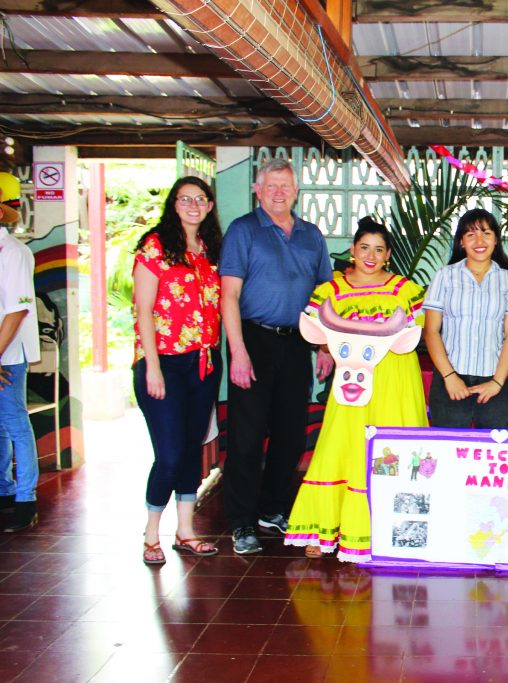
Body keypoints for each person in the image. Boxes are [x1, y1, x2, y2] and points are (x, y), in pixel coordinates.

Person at [284, 217, 427, 561]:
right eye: (364, 247)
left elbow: (418, 329)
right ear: (352, 250)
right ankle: (323, 528)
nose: (370, 255)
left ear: (388, 255)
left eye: (379, 249)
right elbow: (313, 328)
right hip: (351, 385)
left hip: (394, 380)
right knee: (339, 445)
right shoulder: (331, 291)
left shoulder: (404, 289)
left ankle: (398, 530)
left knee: (394, 448)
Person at [219, 159, 334, 555]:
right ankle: (241, 521)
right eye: (271, 185)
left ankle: (273, 510)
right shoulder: (243, 230)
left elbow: (324, 297)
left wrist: (323, 346)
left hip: (298, 342)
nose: (279, 192)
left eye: (286, 185)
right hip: (253, 339)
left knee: (289, 433)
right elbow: (229, 295)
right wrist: (238, 352)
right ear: (257, 190)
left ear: (296, 190)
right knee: (248, 438)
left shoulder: (311, 235)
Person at [133, 176, 223, 563]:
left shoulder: (210, 250)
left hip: (203, 363)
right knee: (169, 454)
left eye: (200, 199)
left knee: (190, 449)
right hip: (163, 363)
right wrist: (152, 366)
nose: (193, 205)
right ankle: (151, 533)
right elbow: (142, 310)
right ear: (174, 204)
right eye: (185, 199)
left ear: (208, 206)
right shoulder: (155, 246)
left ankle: (185, 531)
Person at [424, 208, 508, 429]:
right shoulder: (445, 276)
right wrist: (450, 377)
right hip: (450, 380)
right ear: (461, 242)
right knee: (448, 452)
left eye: (486, 233)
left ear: (496, 239)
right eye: (471, 234)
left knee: (495, 456)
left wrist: (497, 383)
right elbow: (431, 331)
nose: (479, 240)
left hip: (495, 382)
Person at [0, 171, 40, 533]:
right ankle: (4, 490)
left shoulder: (13, 252)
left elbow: (17, 309)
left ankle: (25, 498)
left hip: (8, 354)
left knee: (14, 422)